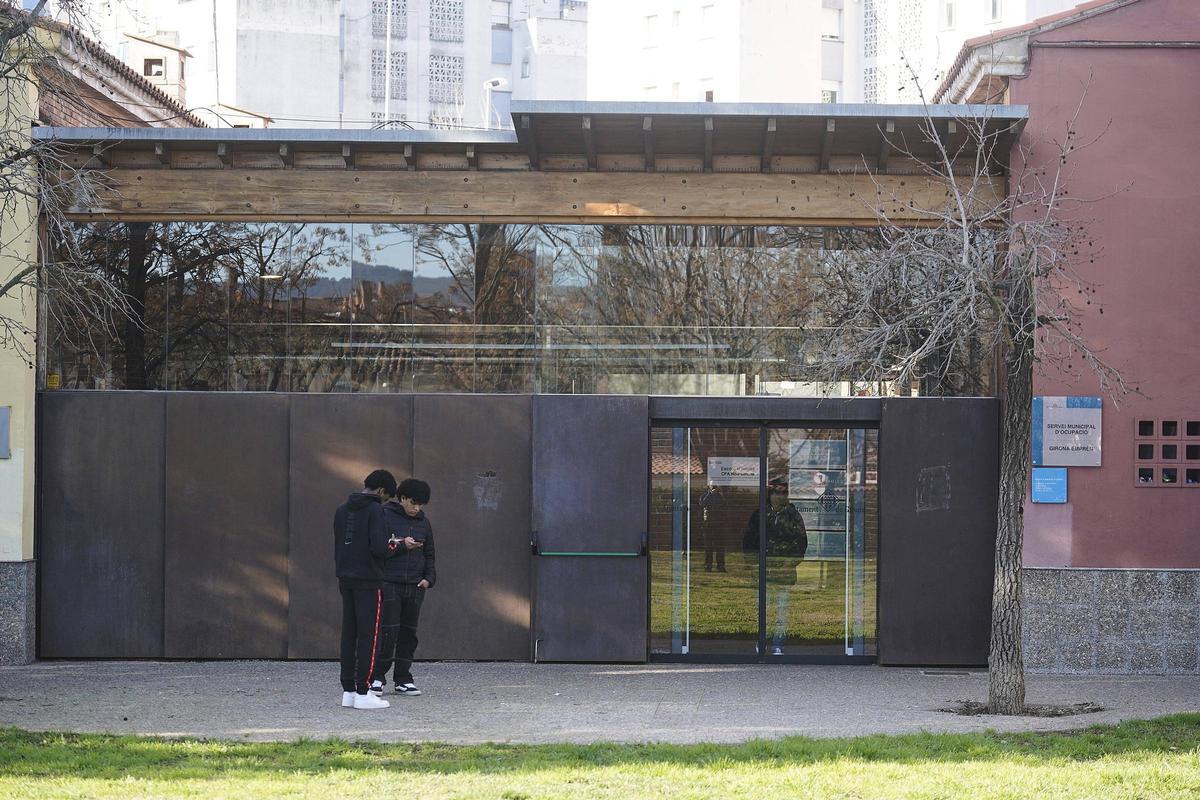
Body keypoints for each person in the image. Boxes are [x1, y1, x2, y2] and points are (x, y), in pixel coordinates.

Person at [334, 469, 396, 710]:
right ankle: (364, 690)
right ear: (381, 491)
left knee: (349, 634)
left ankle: (348, 690)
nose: (384, 501)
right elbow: (380, 548)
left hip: (345, 578)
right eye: (386, 496)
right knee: (369, 635)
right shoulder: (375, 511)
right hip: (369, 580)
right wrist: (395, 546)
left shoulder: (342, 510)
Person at [372, 478, 436, 698]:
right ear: (402, 498)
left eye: (420, 505)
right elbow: (377, 548)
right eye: (413, 503)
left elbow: (430, 554)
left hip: (415, 585)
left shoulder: (423, 522)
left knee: (409, 633)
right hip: (389, 581)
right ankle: (377, 678)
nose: (416, 508)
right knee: (388, 632)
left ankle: (403, 678)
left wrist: (428, 578)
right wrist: (401, 545)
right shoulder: (384, 515)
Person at [742, 478, 808, 655]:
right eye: (776, 492)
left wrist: (789, 562)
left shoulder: (794, 516)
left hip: (784, 572)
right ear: (769, 495)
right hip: (763, 572)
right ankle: (761, 640)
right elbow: (749, 543)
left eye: (783, 493)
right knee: (762, 609)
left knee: (781, 609)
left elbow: (801, 543)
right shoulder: (759, 515)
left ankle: (778, 643)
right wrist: (754, 566)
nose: (779, 496)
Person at [698, 482, 727, 572]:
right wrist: (710, 494)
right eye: (712, 485)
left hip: (719, 524)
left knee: (720, 547)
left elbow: (724, 504)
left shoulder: (720, 496)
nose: (714, 487)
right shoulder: (704, 495)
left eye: (715, 486)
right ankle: (708, 565)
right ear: (709, 486)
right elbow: (702, 504)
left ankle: (720, 566)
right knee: (708, 547)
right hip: (708, 524)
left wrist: (718, 494)